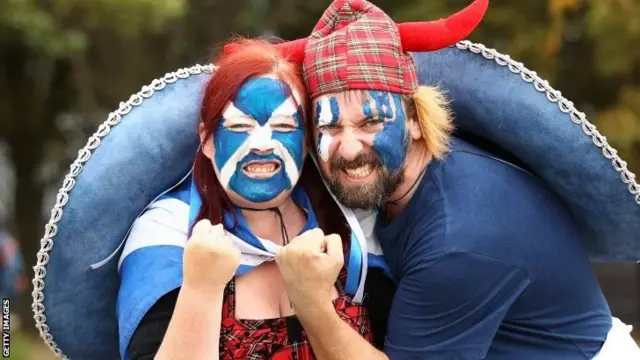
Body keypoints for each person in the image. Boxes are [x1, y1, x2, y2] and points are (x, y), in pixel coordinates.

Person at [221, 0, 640, 358]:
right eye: (329, 129)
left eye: (371, 121)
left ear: (417, 120)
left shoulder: (458, 241)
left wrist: (309, 298)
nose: (349, 149)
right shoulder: (411, 176)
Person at [116, 38, 394, 360]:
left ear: (305, 142)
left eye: (283, 125)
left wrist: (314, 304)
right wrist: (200, 290)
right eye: (240, 125)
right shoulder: (168, 233)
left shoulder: (349, 228)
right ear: (207, 140)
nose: (262, 143)